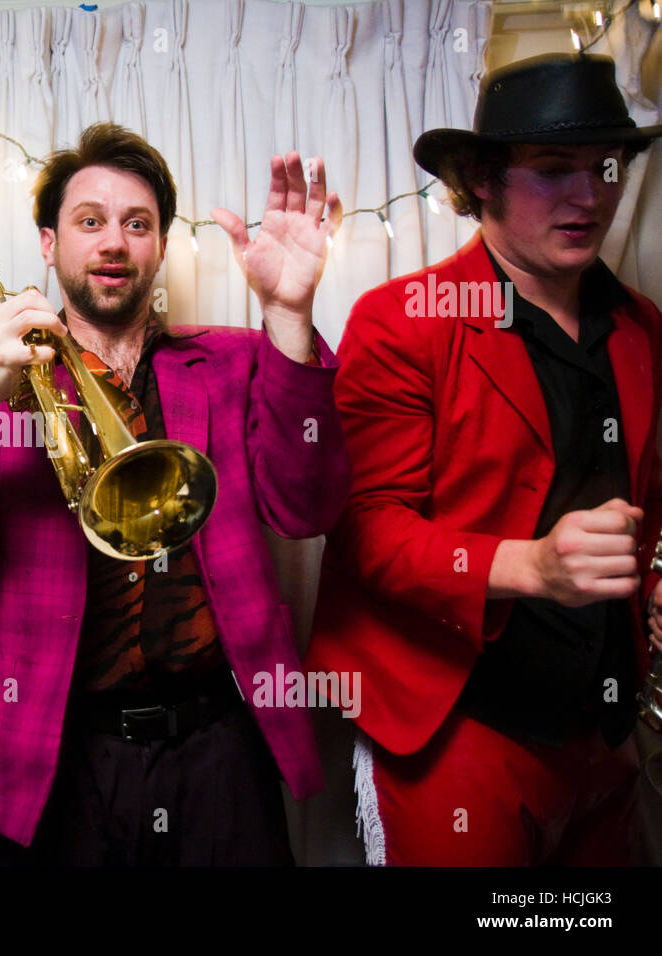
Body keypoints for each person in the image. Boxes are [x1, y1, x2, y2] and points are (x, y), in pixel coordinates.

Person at [0, 123, 350, 865]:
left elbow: (310, 511)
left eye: (137, 224)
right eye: (90, 222)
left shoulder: (234, 361)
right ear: (49, 243)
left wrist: (290, 316)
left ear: (160, 247)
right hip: (54, 750)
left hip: (218, 751)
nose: (114, 242)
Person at [307, 53, 662, 866]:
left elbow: (651, 498)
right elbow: (362, 531)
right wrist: (529, 566)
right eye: (553, 171)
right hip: (458, 729)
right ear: (481, 180)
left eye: (608, 168)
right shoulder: (403, 319)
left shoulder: (643, 325)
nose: (590, 195)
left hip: (604, 735)